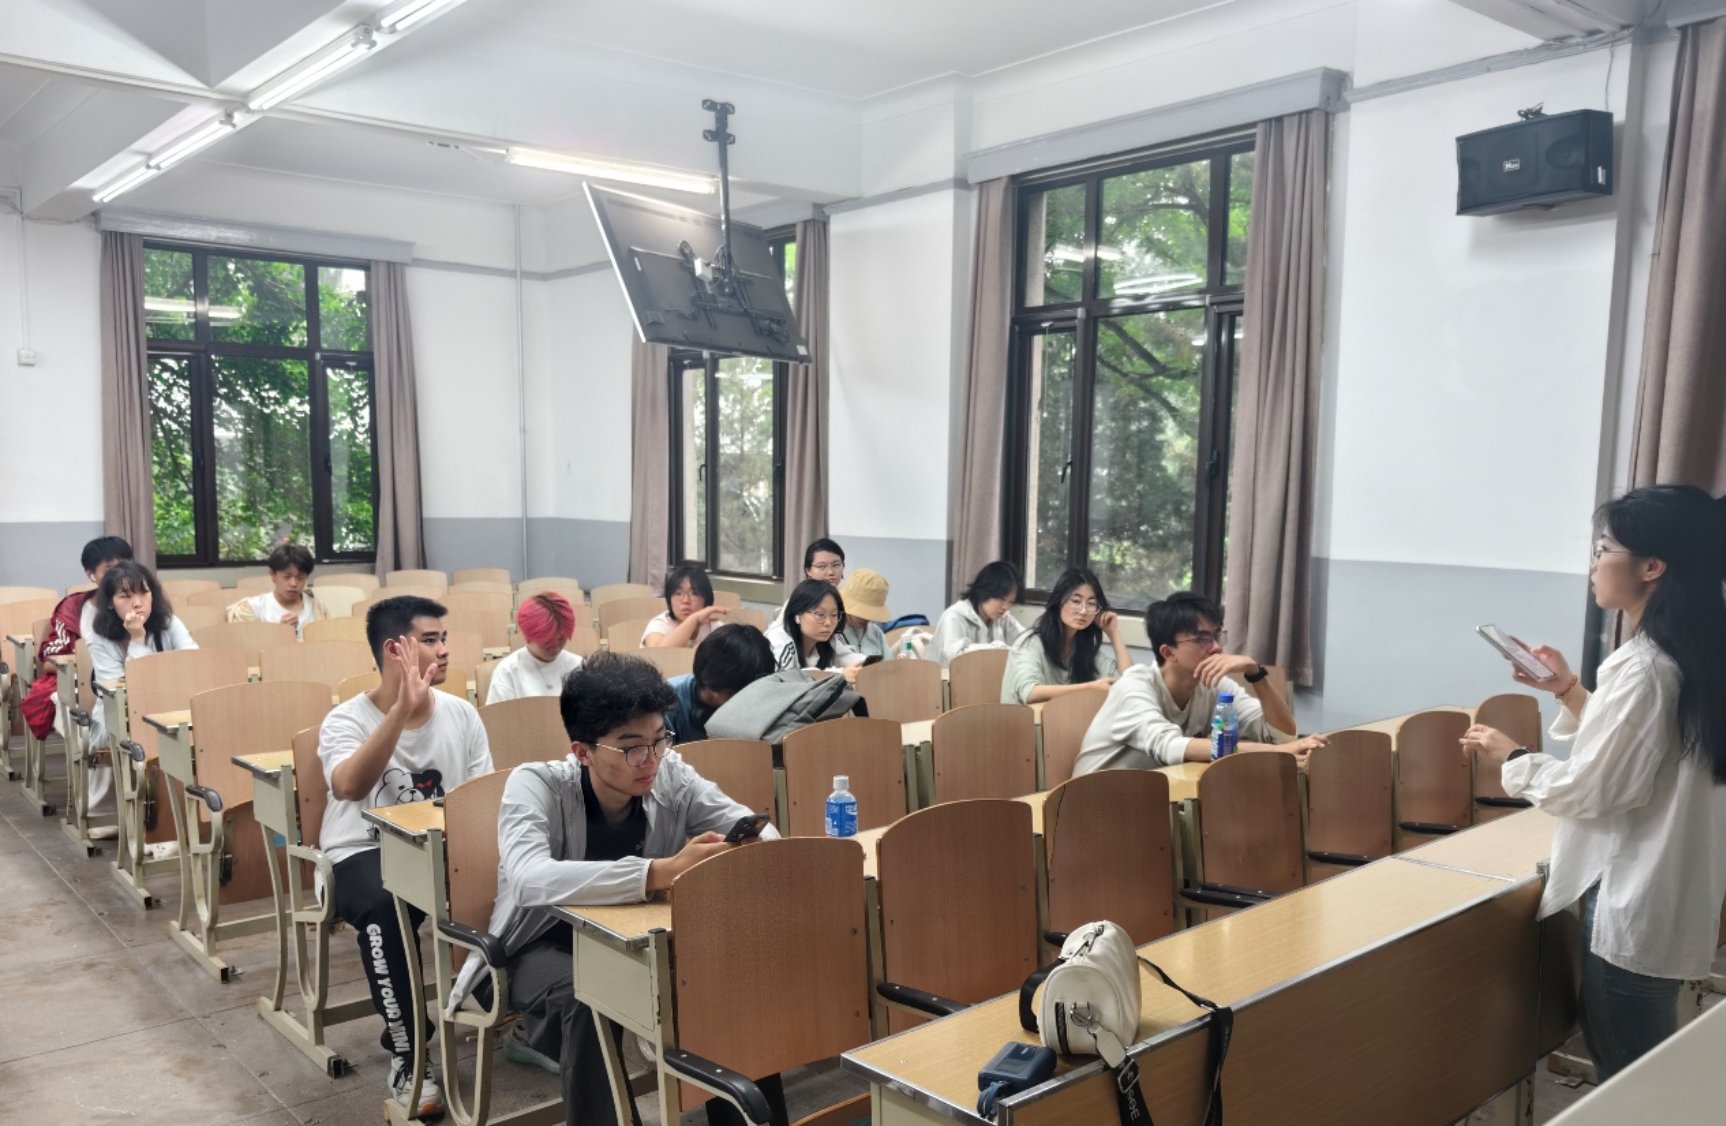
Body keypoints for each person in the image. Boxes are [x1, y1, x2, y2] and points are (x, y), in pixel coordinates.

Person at [1460, 485, 1726, 1082]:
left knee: (1632, 1081)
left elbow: (1595, 789)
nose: (1593, 562)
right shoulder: (1697, 655)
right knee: (1645, 1067)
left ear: (1652, 567)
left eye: (1604, 549)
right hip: (1672, 896)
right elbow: (1646, 752)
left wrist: (1513, 757)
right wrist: (1566, 690)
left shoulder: (1648, 668)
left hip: (1635, 903)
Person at [448, 653, 781, 1126]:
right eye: (630, 747)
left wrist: (752, 843)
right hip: (537, 946)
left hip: (630, 939)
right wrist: (656, 872)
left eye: (659, 738)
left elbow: (748, 822)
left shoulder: (670, 772)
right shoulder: (536, 785)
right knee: (586, 999)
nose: (650, 759)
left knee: (721, 971)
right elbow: (528, 879)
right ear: (582, 751)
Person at [318, 595, 494, 1118]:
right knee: (385, 907)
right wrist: (399, 712)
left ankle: (512, 1012)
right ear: (396, 650)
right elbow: (349, 787)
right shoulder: (345, 720)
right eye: (431, 640)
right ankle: (409, 1054)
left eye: (445, 639)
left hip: (441, 848)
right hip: (361, 851)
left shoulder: (461, 714)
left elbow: (481, 797)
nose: (444, 650)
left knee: (511, 881)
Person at [1074, 591, 1324, 775]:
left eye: (1216, 636)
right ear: (1168, 652)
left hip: (1156, 797)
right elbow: (1170, 745)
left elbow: (1282, 735)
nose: (1216, 647)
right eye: (1202, 639)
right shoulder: (1134, 686)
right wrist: (1279, 752)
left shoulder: (1214, 684)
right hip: (1093, 804)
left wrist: (1255, 673)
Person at [22, 536, 133, 746]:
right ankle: (93, 750)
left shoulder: (142, 602)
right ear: (91, 574)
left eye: (125, 566)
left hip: (130, 681)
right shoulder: (74, 608)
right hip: (85, 684)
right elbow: (50, 661)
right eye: (109, 568)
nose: (119, 574)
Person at [86, 561, 200, 755]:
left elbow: (194, 663)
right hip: (119, 719)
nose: (138, 603)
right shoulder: (97, 639)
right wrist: (137, 639)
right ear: (110, 603)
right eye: (125, 596)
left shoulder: (168, 622)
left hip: (171, 707)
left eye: (144, 593)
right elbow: (122, 696)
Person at [1001, 568, 1132, 705]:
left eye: (1091, 603)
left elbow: (1128, 681)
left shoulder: (1083, 648)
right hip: (1024, 718)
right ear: (1059, 602)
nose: (1083, 611)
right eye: (1076, 601)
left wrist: (1114, 633)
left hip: (1062, 718)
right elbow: (1030, 693)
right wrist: (1090, 687)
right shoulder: (1030, 642)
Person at [665, 625, 777, 743]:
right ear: (714, 689)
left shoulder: (761, 696)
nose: (752, 703)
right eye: (744, 695)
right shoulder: (665, 705)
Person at [487, 592, 584, 704]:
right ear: (529, 635)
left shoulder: (578, 666)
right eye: (548, 641)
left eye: (561, 639)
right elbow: (498, 713)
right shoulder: (508, 671)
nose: (555, 647)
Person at [929, 561, 1025, 667]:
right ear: (985, 590)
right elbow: (956, 657)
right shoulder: (954, 617)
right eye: (1001, 599)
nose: (1005, 607)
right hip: (948, 676)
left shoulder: (1003, 619)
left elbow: (1027, 641)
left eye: (1011, 602)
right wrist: (997, 649)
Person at [765, 579, 863, 680]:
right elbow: (784, 682)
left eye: (834, 615)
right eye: (820, 614)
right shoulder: (779, 643)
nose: (828, 623)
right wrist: (839, 674)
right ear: (797, 615)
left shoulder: (828, 641)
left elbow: (847, 657)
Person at [227, 543, 321, 637]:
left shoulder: (316, 607)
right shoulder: (253, 609)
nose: (293, 583)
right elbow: (246, 644)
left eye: (300, 577)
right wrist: (278, 632)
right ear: (272, 574)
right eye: (287, 577)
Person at [642, 563, 728, 648]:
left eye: (694, 593)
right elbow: (657, 652)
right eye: (678, 593)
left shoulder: (715, 628)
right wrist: (694, 619)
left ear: (706, 598)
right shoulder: (659, 624)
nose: (686, 600)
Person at [770, 538, 847, 622]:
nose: (831, 572)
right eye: (822, 566)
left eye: (836, 565)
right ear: (808, 571)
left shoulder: (848, 597)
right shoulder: (801, 599)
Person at [836, 569, 893, 660]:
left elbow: (888, 664)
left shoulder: (876, 633)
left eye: (871, 613)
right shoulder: (833, 631)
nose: (866, 618)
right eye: (862, 611)